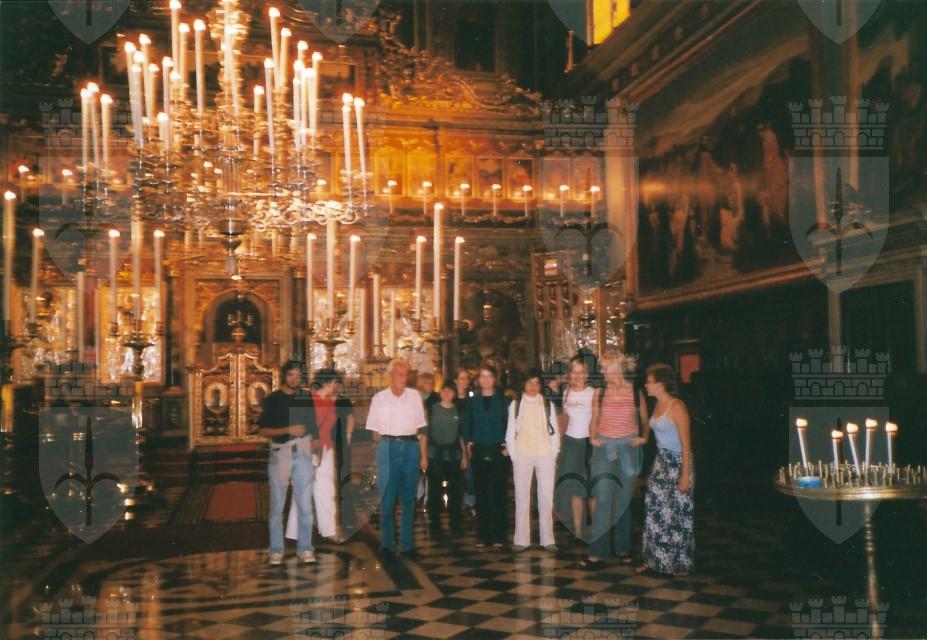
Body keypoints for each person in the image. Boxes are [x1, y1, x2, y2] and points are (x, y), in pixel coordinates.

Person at [581, 355, 649, 568]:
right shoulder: (600, 393)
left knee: (623, 501)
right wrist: (592, 438)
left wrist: (644, 437)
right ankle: (598, 552)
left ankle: (623, 549)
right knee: (602, 500)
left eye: (606, 368)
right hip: (604, 449)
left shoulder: (635, 393)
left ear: (618, 368)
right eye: (602, 368)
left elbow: (645, 420)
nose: (602, 372)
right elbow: (594, 420)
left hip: (629, 449)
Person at [365, 359, 428, 559]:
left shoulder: (414, 396)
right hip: (388, 446)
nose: (404, 378)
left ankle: (407, 547)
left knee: (409, 500)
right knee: (387, 500)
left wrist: (422, 454)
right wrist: (381, 453)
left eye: (406, 374)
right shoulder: (379, 398)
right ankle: (387, 546)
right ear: (390, 376)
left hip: (410, 447)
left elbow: (420, 427)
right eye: (400, 374)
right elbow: (374, 432)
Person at [636, 363, 694, 577]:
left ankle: (677, 563)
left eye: (649, 382)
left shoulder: (676, 407)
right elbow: (650, 427)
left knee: (676, 514)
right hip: (661, 461)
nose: (646, 385)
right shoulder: (658, 404)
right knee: (655, 511)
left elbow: (687, 445)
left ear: (660, 384)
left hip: (678, 462)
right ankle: (654, 560)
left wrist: (685, 474)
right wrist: (640, 438)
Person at [257, 362, 318, 565]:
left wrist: (315, 450)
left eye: (298, 376)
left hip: (302, 452)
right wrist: (288, 430)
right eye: (291, 375)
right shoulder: (273, 400)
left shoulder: (306, 397)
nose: (294, 379)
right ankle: (276, 550)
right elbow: (263, 431)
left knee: (305, 504)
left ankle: (305, 548)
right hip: (280, 453)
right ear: (284, 376)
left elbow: (313, 427)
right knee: (277, 505)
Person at [505, 369, 560, 552]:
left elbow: (554, 434)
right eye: (530, 382)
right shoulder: (515, 405)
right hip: (523, 455)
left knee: (546, 497)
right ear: (523, 384)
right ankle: (521, 539)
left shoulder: (547, 404)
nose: (533, 386)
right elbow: (510, 433)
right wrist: (514, 457)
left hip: (545, 455)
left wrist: (553, 455)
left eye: (536, 383)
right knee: (522, 497)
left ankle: (548, 539)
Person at [285, 368, 340, 543]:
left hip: (326, 449)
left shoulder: (329, 402)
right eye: (335, 383)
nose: (336, 387)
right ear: (329, 382)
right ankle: (296, 532)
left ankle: (328, 530)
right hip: (307, 449)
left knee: (325, 489)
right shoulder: (308, 399)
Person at [461, 363, 509, 549]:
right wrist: (468, 444)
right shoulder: (472, 401)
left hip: (498, 450)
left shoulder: (504, 401)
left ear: (494, 379)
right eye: (483, 376)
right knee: (481, 494)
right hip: (479, 450)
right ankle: (483, 535)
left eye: (489, 376)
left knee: (498, 493)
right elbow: (466, 425)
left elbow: (511, 424)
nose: (486, 380)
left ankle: (499, 535)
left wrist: (508, 446)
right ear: (478, 380)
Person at [556, 355, 599, 543]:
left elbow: (598, 420)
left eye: (581, 372)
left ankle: (596, 530)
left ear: (587, 374)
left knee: (591, 490)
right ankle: (578, 530)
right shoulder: (566, 393)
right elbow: (563, 420)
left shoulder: (593, 393)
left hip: (588, 444)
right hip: (570, 445)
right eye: (574, 371)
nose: (578, 375)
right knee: (575, 489)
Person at [425, 382, 468, 537]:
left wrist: (464, 456)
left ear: (454, 394)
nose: (447, 393)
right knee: (434, 491)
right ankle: (435, 525)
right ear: (440, 392)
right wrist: (423, 455)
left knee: (456, 492)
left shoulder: (459, 411)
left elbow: (461, 436)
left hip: (453, 455)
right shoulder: (432, 409)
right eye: (444, 390)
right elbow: (424, 434)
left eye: (450, 391)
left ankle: (455, 523)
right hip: (434, 455)